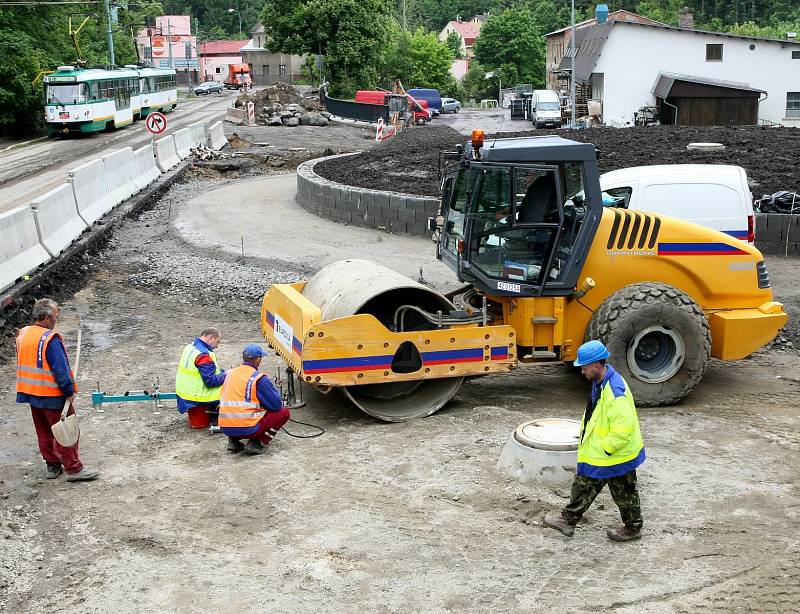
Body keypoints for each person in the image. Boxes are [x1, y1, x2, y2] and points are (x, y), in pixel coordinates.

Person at [543, 340, 646, 542]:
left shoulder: (615, 392)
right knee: (587, 484)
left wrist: (604, 450)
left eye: (584, 367)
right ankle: (569, 520)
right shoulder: (601, 383)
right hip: (606, 453)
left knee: (622, 492)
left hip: (614, 455)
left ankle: (632, 528)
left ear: (597, 365)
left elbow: (623, 431)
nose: (582, 371)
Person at [15, 298, 99, 482]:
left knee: (44, 431)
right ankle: (74, 469)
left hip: (31, 392)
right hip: (52, 395)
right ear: (46, 318)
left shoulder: (23, 334)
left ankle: (52, 466)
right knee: (66, 430)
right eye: (55, 316)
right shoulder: (49, 339)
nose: (56, 320)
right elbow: (60, 370)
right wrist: (69, 390)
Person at [219, 344, 289, 456]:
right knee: (283, 412)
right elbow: (275, 405)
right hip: (248, 428)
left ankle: (233, 441)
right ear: (258, 359)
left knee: (237, 411)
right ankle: (256, 443)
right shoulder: (258, 378)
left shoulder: (229, 373)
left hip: (225, 426)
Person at [175, 328, 226, 432]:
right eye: (217, 342)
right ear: (212, 337)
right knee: (230, 388)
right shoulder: (203, 355)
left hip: (185, 391)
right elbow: (211, 381)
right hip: (196, 395)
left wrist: (221, 372)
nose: (217, 346)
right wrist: (227, 375)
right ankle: (217, 419)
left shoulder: (191, 347)